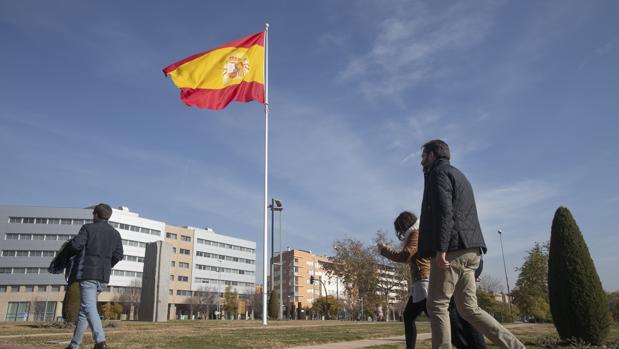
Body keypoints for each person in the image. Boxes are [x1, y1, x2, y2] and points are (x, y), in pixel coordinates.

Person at [417, 140, 524, 349]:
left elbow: (444, 214)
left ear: (431, 155)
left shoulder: (439, 174)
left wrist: (441, 250)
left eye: (423, 156)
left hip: (453, 249)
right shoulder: (459, 175)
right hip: (472, 249)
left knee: (437, 305)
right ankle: (515, 347)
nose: (421, 160)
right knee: (468, 308)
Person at [64, 203, 124, 349]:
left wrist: (68, 249)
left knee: (88, 306)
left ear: (96, 215)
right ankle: (74, 345)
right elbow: (119, 255)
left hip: (88, 273)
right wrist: (107, 265)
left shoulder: (87, 228)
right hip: (103, 276)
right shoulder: (115, 233)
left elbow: (76, 245)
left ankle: (100, 341)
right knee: (85, 311)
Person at [378, 211, 430, 349]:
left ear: (404, 225)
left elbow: (405, 255)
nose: (400, 233)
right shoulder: (418, 233)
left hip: (424, 280)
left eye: (400, 229)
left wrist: (384, 250)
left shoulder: (416, 233)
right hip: (421, 280)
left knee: (434, 318)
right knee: (409, 316)